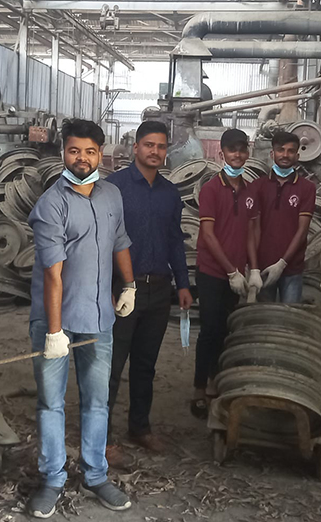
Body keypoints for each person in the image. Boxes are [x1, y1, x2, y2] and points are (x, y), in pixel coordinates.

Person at [26, 119, 135, 518]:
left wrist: (129, 285)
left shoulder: (111, 196)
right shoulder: (51, 205)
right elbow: (53, 272)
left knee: (97, 401)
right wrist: (54, 331)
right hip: (55, 320)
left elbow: (120, 241)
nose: (83, 158)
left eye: (90, 151)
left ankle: (96, 475)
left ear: (100, 154)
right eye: (74, 151)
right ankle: (52, 479)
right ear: (63, 154)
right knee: (51, 404)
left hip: (99, 318)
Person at [105, 121, 193, 460]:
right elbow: (104, 242)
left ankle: (139, 427)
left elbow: (174, 241)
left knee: (145, 365)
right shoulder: (114, 187)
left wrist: (182, 284)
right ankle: (104, 437)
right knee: (112, 365)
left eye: (160, 146)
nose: (154, 152)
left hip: (158, 291)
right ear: (135, 147)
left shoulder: (170, 193)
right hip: (123, 289)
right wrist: (107, 289)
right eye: (148, 145)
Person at [191, 128, 260, 418]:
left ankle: (215, 384)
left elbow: (250, 232)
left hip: (238, 275)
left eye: (242, 149)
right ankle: (198, 389)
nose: (238, 155)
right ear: (222, 154)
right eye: (232, 150)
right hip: (211, 272)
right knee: (210, 330)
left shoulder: (249, 191)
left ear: (248, 152)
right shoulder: (210, 189)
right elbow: (207, 234)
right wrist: (231, 271)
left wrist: (253, 267)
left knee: (227, 331)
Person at [251, 132, 316, 303]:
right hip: (263, 267)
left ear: (297, 155)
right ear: (272, 154)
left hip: (292, 269)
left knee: (289, 322)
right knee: (264, 321)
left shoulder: (307, 188)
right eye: (281, 150)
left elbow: (302, 231)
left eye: (290, 151)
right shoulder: (258, 186)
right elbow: (254, 230)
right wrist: (254, 268)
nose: (285, 155)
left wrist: (282, 263)